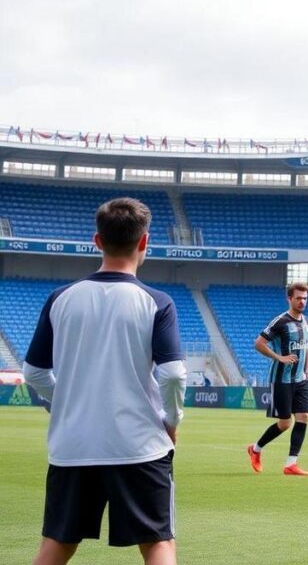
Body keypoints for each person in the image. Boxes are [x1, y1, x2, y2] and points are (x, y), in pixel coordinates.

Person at [22, 197, 187, 565]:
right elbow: (174, 373)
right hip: (140, 445)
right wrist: (171, 422)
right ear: (144, 242)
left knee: (57, 544)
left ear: (97, 241)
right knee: (158, 543)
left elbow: (33, 372)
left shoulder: (59, 299)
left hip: (72, 446)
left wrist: (62, 398)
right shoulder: (157, 302)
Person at [247, 282, 308, 476]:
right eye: (298, 298)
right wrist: (279, 357)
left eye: (305, 298)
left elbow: (306, 345)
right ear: (289, 299)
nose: (302, 302)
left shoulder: (307, 322)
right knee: (285, 423)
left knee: (303, 417)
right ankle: (255, 449)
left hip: (300, 379)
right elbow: (259, 343)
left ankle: (291, 464)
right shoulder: (280, 322)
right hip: (281, 380)